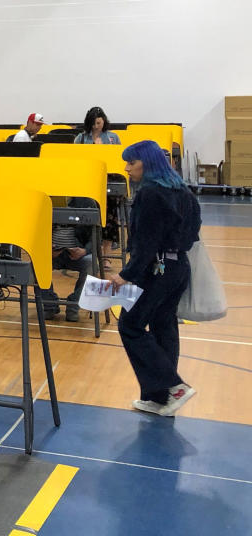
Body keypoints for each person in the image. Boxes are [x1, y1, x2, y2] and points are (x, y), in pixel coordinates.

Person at [107, 140, 201, 417]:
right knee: (163, 326)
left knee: (131, 325)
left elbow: (146, 242)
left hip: (155, 269)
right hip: (178, 267)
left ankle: (173, 386)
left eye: (131, 163)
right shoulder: (184, 192)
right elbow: (193, 233)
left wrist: (126, 275)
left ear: (146, 164)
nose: (126, 169)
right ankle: (159, 399)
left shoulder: (149, 194)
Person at [74, 106, 122, 269]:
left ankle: (106, 255)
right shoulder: (81, 138)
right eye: (94, 123)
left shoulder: (112, 138)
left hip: (108, 182)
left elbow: (119, 160)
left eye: (99, 123)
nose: (97, 126)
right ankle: (88, 251)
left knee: (109, 216)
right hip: (87, 182)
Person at [41, 224, 94, 322]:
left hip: (79, 253)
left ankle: (73, 305)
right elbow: (36, 235)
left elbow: (95, 238)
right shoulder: (43, 210)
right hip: (51, 253)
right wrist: (46, 248)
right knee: (36, 263)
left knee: (91, 264)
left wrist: (84, 251)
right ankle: (49, 305)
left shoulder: (85, 208)